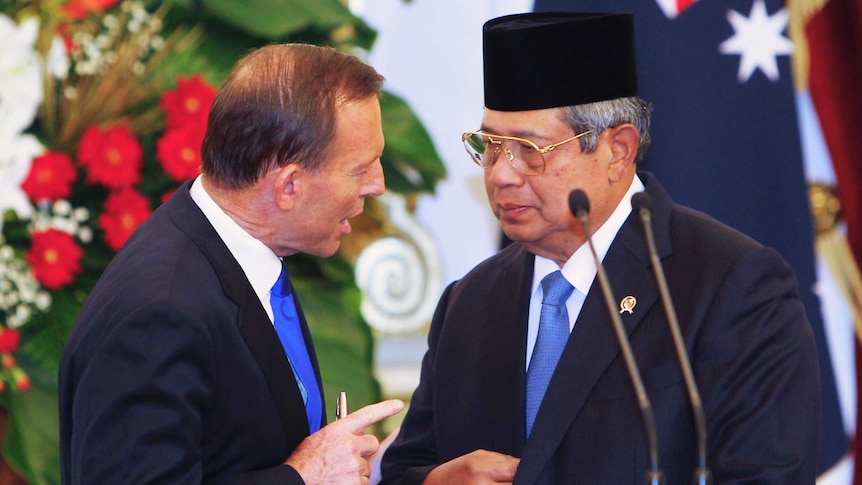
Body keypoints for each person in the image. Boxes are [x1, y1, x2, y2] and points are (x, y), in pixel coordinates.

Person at [380, 12, 821, 484]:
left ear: (618, 151)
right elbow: (406, 467)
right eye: (489, 145)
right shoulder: (469, 302)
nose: (501, 174)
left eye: (530, 149)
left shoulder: (730, 286)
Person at [58, 43, 404, 484]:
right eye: (360, 169)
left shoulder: (246, 249)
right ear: (289, 187)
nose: (377, 185)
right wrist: (302, 477)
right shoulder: (160, 313)